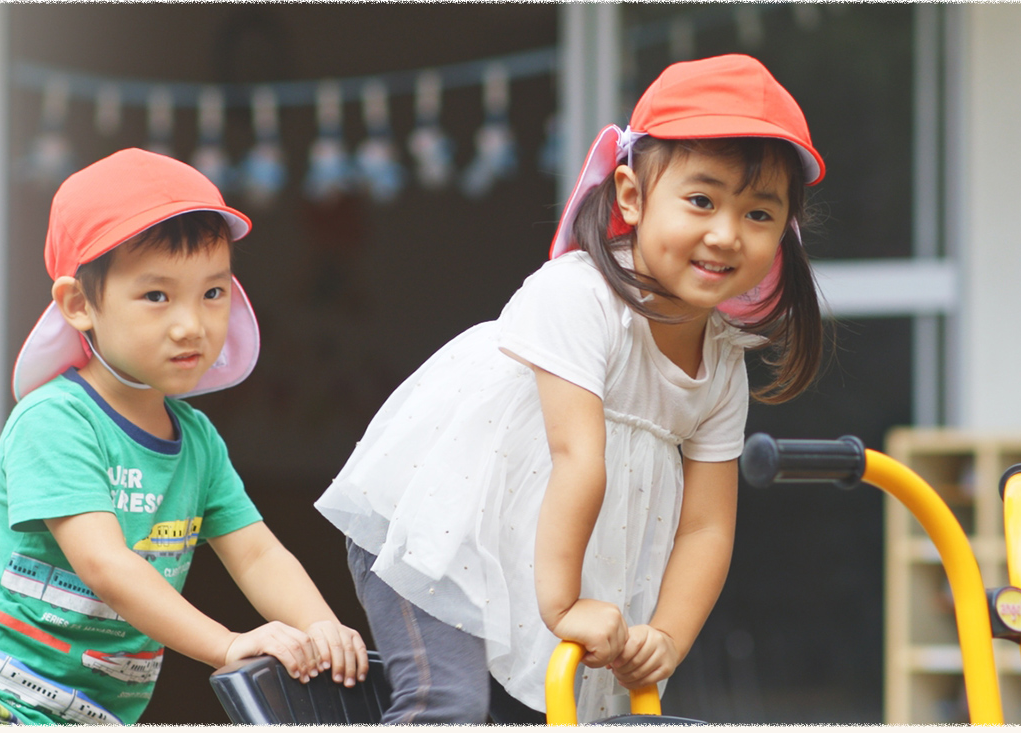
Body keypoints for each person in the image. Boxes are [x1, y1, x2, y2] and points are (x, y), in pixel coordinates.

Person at [314, 54, 829, 723]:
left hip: (548, 555)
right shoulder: (580, 297)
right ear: (632, 195)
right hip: (444, 525)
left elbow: (707, 527)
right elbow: (577, 457)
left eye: (759, 214)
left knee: (538, 713)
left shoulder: (723, 363)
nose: (726, 233)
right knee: (448, 704)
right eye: (701, 200)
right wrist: (563, 606)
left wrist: (667, 636)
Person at [0, 149, 367, 726]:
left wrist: (318, 626)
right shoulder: (57, 421)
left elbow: (258, 552)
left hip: (87, 716)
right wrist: (226, 645)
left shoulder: (197, 443)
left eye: (212, 293)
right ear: (79, 304)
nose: (190, 323)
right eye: (156, 296)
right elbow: (105, 566)